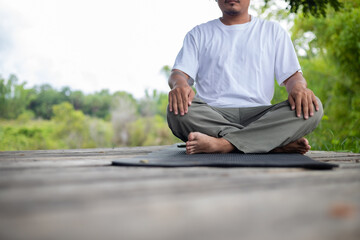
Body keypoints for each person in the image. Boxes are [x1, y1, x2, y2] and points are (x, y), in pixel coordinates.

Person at [167, 0, 323, 155]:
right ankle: (271, 144)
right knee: (177, 110)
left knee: (313, 107)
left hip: (261, 115)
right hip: (212, 114)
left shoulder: (273, 31)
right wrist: (179, 85)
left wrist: (299, 88)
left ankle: (224, 144)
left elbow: (293, 77)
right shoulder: (199, 34)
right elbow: (179, 74)